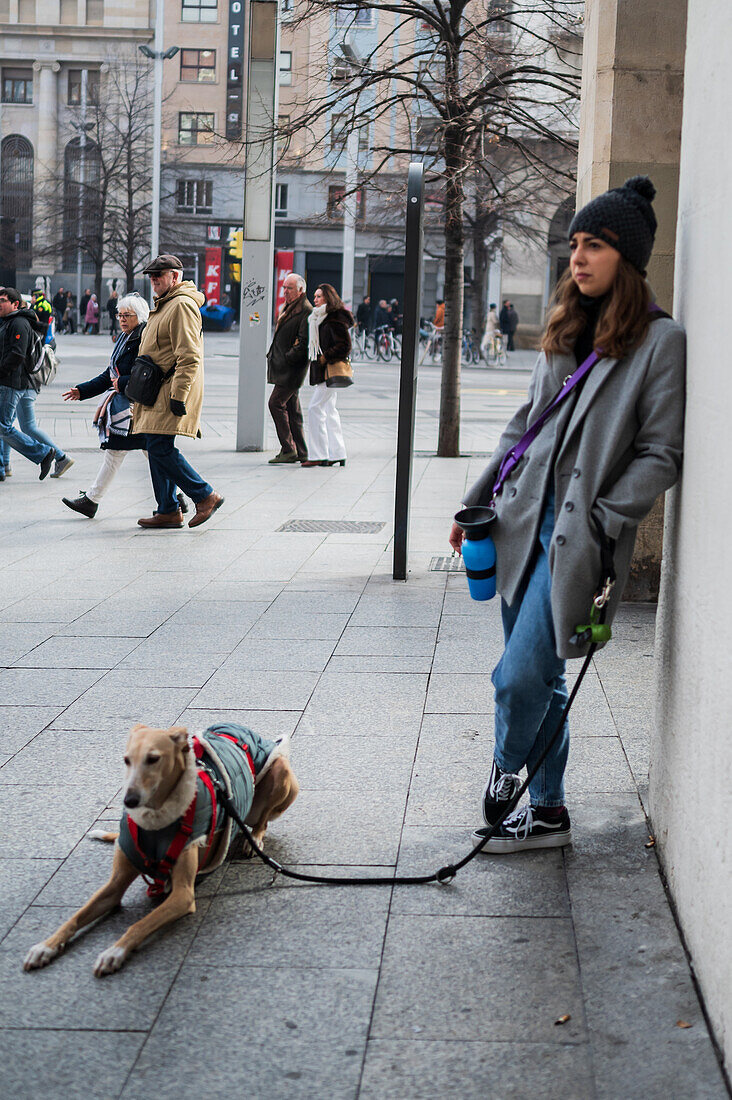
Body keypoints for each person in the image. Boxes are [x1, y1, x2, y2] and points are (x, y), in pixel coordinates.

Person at [449, 176, 685, 853]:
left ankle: (504, 769)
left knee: (519, 676)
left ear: (628, 259)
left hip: (578, 539)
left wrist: (606, 518)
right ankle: (548, 809)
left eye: (596, 245)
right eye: (575, 244)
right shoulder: (565, 325)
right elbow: (524, 425)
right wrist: (477, 498)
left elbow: (662, 454)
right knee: (544, 679)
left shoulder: (660, 342)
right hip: (520, 520)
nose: (578, 258)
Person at [133, 253, 223, 529]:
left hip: (170, 390)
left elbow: (189, 356)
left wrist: (179, 396)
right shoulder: (166, 304)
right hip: (157, 388)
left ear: (175, 276)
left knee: (159, 447)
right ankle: (168, 509)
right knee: (156, 444)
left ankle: (204, 495)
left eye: (159, 275)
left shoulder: (181, 305)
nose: (154, 280)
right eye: (151, 276)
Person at [61, 293, 151, 518]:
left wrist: (121, 382)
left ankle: (92, 500)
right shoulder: (125, 338)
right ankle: (177, 498)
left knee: (148, 452)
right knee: (147, 452)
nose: (121, 319)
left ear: (139, 316)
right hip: (128, 406)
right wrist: (83, 390)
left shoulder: (142, 339)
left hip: (136, 407)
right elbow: (109, 374)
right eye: (119, 314)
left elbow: (142, 375)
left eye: (126, 315)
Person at [0, 287, 73, 481]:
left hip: (13, 383)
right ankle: (5, 465)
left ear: (15, 304)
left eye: (2, 300)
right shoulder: (8, 322)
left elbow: (17, 354)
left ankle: (44, 454)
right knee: (9, 426)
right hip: (15, 383)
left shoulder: (19, 323)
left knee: (7, 426)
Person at [301, 283, 352, 468]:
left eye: (319, 296)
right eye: (314, 297)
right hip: (323, 371)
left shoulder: (334, 318)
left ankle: (319, 454)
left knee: (315, 408)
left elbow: (345, 345)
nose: (315, 300)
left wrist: (325, 357)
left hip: (329, 370)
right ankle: (337, 453)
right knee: (330, 411)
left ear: (328, 298)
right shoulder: (317, 318)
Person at [266, 272, 312, 465]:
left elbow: (303, 342)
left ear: (300, 290)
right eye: (284, 287)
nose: (284, 291)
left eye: (289, 288)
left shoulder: (306, 310)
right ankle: (301, 451)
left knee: (275, 403)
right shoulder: (290, 306)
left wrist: (288, 357)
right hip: (286, 366)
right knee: (292, 410)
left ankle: (288, 449)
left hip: (292, 368)